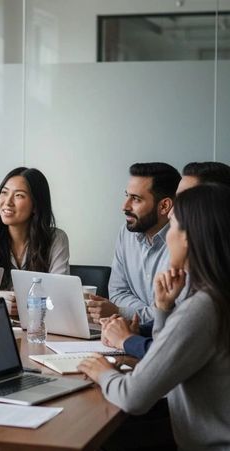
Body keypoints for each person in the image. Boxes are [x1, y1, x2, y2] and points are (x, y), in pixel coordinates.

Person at [79, 183, 230, 450]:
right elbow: (167, 360)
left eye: (172, 226)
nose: (168, 236)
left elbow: (133, 398)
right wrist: (162, 309)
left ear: (189, 237)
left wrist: (102, 373)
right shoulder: (218, 296)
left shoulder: (203, 308)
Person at [101, 161, 230, 359]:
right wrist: (133, 329)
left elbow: (170, 352)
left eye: (183, 200)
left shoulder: (209, 294)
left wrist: (126, 338)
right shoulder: (205, 269)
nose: (172, 213)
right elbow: (174, 333)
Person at [86, 162, 181, 324]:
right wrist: (149, 312)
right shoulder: (127, 233)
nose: (125, 206)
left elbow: (177, 314)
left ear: (164, 206)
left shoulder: (184, 242)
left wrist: (122, 312)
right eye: (127, 196)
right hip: (132, 334)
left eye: (136, 199)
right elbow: (117, 292)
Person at [0, 167, 69, 315]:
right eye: (4, 192)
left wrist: (23, 304)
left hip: (42, 327)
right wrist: (2, 300)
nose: (7, 202)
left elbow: (60, 297)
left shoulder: (56, 239)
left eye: (19, 195)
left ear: (35, 206)